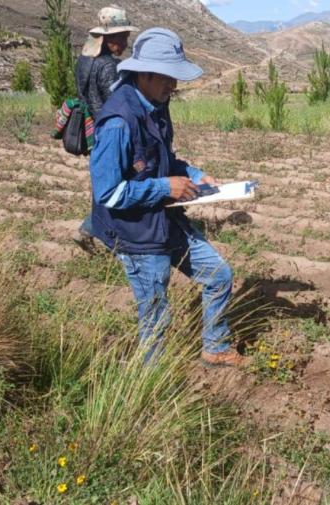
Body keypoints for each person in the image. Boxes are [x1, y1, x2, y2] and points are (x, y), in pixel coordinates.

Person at [87, 27, 251, 367]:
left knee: (219, 276)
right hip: (137, 233)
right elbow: (108, 192)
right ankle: (150, 379)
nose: (173, 85)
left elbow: (163, 158)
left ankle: (215, 347)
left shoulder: (156, 104)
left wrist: (194, 175)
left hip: (166, 219)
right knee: (156, 314)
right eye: (168, 77)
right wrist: (165, 187)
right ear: (144, 73)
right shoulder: (118, 121)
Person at [72, 7, 138, 254]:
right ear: (108, 37)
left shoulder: (83, 61)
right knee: (119, 187)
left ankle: (94, 230)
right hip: (111, 133)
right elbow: (117, 105)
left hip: (93, 132)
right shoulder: (109, 66)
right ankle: (95, 231)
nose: (125, 43)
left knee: (105, 184)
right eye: (122, 37)